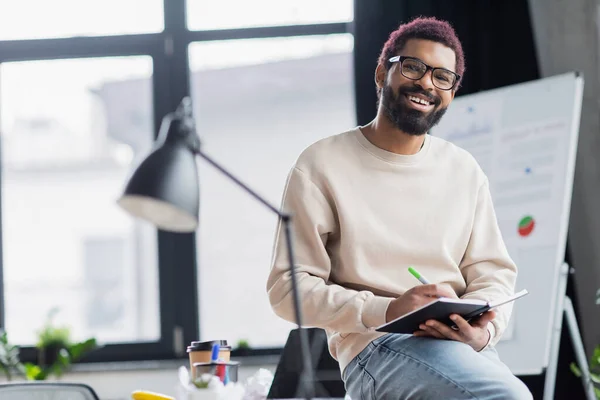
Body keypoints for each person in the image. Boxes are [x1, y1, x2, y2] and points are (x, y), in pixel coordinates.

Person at [266, 16, 533, 399]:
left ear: (452, 93)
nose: (427, 83)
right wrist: (388, 310)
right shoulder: (320, 164)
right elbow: (286, 288)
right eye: (413, 67)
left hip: (460, 346)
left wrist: (485, 331)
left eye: (443, 77)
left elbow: (492, 272)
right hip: (376, 348)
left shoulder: (463, 169)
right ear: (381, 73)